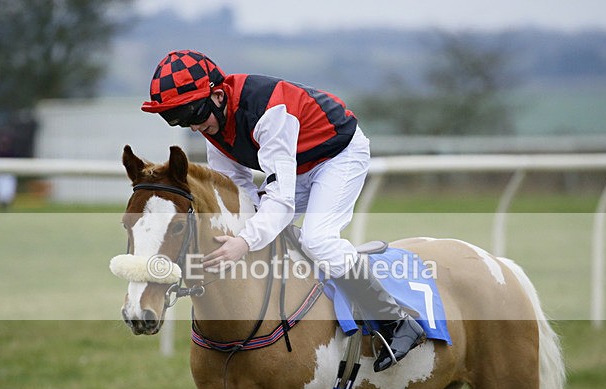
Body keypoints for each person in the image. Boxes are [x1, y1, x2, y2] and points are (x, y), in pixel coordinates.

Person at [142, 49, 423, 372]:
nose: (193, 127)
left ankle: (397, 321)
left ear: (218, 97)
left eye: (193, 114)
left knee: (318, 240)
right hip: (301, 164)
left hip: (339, 156)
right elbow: (238, 194)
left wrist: (245, 242)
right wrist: (241, 233)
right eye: (177, 119)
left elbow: (281, 201)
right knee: (259, 225)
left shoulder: (270, 113)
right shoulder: (212, 127)